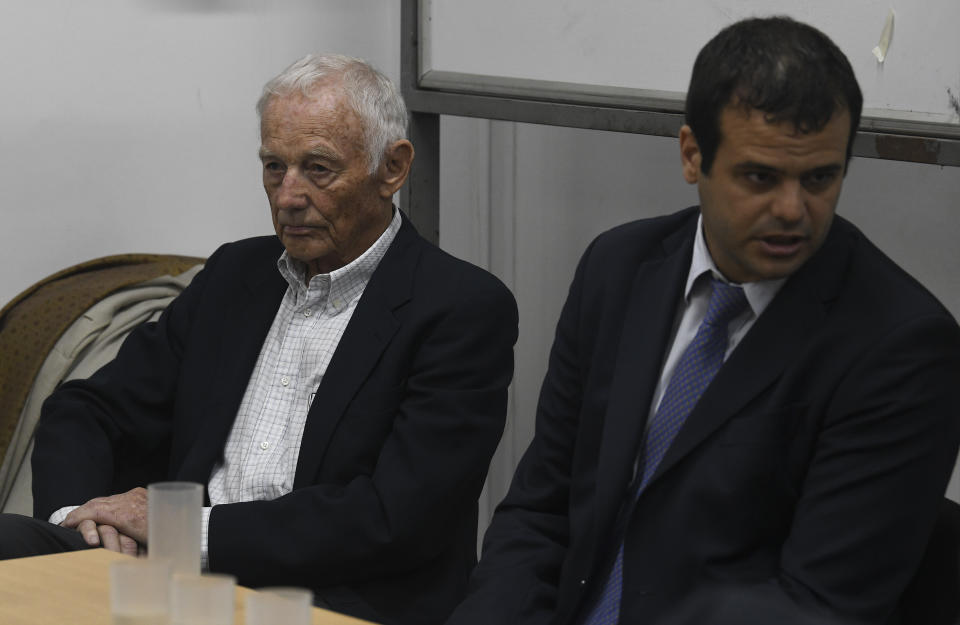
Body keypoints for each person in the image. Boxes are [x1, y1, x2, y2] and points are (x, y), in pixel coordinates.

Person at [445, 16, 960, 625]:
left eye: (820, 178)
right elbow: (542, 510)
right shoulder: (618, 270)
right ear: (693, 155)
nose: (793, 210)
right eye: (760, 177)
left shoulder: (901, 346)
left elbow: (820, 607)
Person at [2, 54, 518, 625]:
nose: (287, 197)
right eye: (274, 167)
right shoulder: (235, 275)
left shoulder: (460, 308)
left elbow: (391, 518)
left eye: (317, 169)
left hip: (329, 594)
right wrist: (82, 520)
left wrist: (175, 530)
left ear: (392, 169)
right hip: (165, 572)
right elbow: (90, 410)